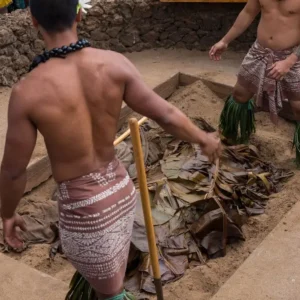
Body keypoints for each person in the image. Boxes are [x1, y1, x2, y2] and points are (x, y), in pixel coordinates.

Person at [0, 0, 221, 299]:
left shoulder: (28, 91)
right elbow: (165, 114)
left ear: (33, 20)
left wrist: (8, 214)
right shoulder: (114, 64)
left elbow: (13, 172)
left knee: (110, 292)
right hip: (121, 193)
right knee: (105, 283)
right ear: (79, 13)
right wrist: (203, 138)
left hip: (86, 214)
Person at [209, 0, 300, 161]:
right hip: (259, 51)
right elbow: (248, 13)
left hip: (294, 57)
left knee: (298, 106)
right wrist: (225, 40)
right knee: (239, 94)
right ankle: (232, 136)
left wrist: (289, 61)